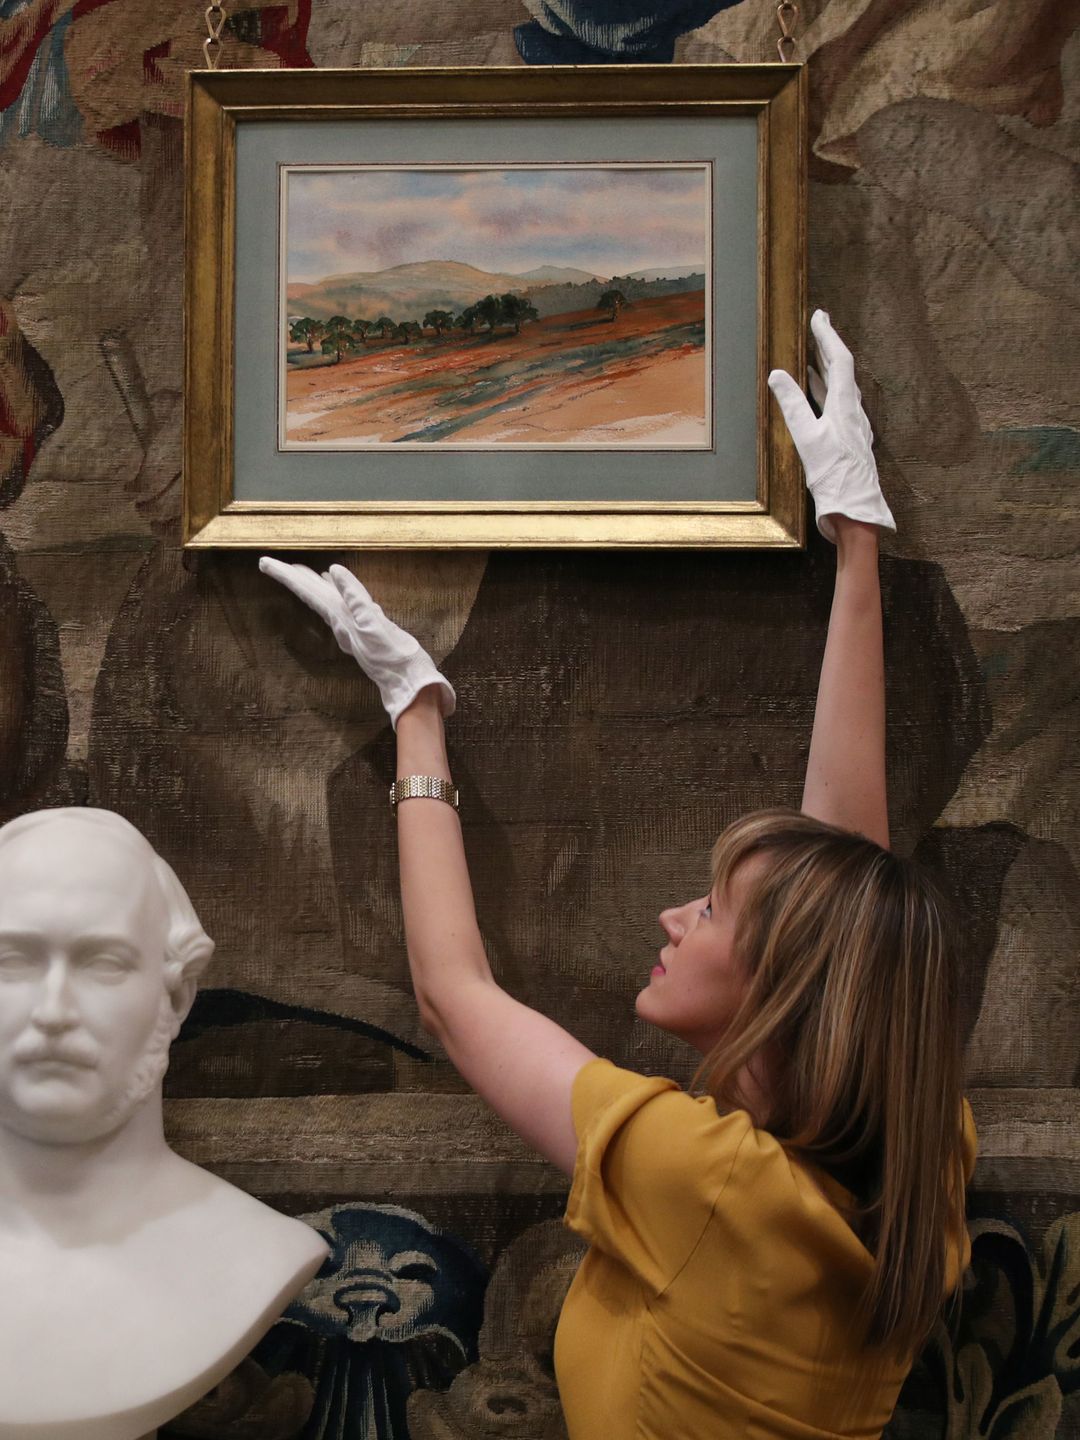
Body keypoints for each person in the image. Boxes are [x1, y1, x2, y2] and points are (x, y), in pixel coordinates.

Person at [260, 311, 975, 1440]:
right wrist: (855, 542)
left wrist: (417, 721)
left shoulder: (713, 1183)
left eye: (709, 908)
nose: (671, 915)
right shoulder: (912, 1166)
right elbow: (850, 889)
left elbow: (458, 995)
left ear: (785, 986)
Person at [0, 808, 328, 1438]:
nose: (53, 1011)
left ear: (176, 996)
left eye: (103, 963)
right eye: (16, 959)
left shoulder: (256, 1258)